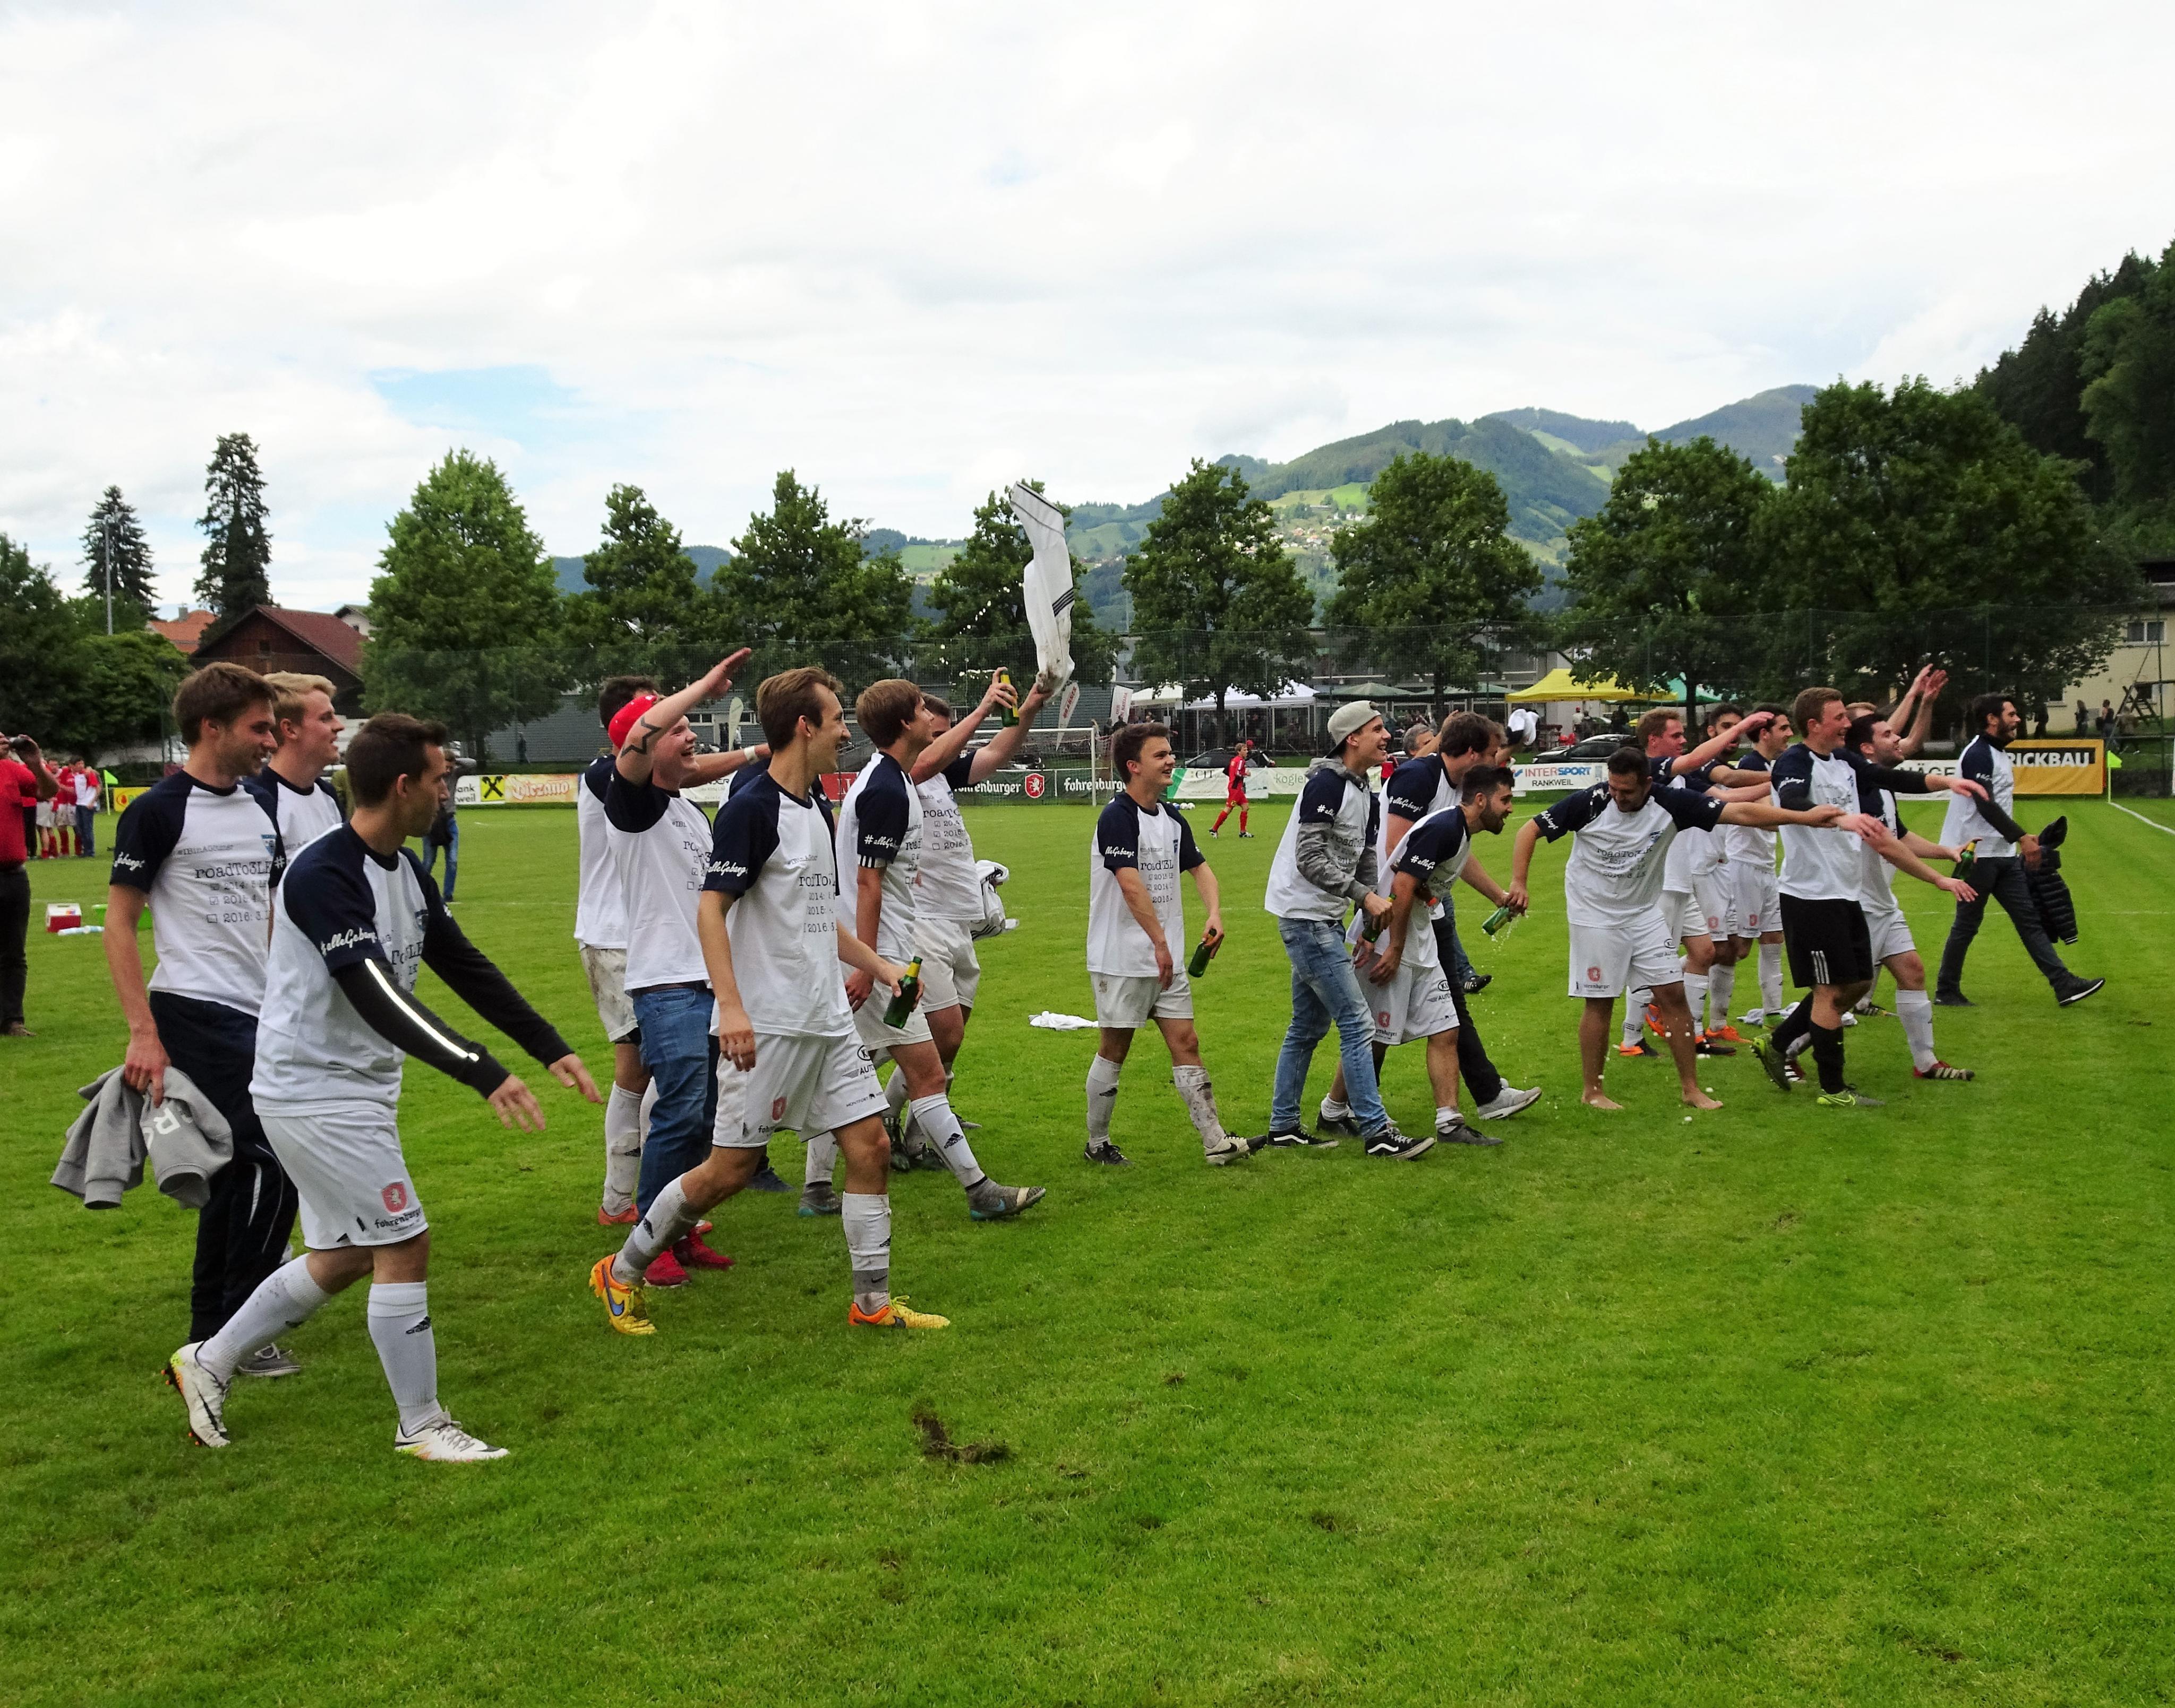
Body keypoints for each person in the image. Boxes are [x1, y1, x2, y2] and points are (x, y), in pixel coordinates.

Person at [166, 713, 599, 1459]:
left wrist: (547, 1045)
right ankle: (422, 1425)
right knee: (404, 1239)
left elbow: (463, 963)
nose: (446, 791)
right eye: (439, 778)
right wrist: (480, 1069)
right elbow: (373, 992)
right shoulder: (324, 874)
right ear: (403, 786)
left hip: (353, 1089)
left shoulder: (404, 869)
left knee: (345, 1254)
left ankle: (208, 1359)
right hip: (314, 1091)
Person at [589, 667, 949, 1336]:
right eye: (836, 720)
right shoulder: (751, 808)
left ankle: (871, 1303)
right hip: (772, 1023)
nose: (845, 733)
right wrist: (731, 1007)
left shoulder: (815, 805)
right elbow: (711, 908)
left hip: (827, 1019)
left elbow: (817, 916)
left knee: (870, 1146)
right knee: (727, 1171)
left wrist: (881, 967)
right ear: (804, 727)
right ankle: (623, 1268)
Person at [105, 664, 297, 1363]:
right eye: (258, 727)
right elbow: (119, 924)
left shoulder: (259, 806)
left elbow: (269, 911)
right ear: (211, 727)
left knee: (233, 1173)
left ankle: (209, 1332)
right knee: (278, 1160)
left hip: (260, 1010)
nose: (270, 740)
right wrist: (143, 1033)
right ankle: (243, 1329)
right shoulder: (157, 811)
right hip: (193, 1009)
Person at [1509, 744, 1844, 1111]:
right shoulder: (1590, 801)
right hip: (1595, 915)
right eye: (1614, 788)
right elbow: (1529, 830)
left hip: (1644, 913)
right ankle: (1593, 1091)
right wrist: (1519, 882)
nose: (1618, 797)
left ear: (1647, 783)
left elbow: (1740, 812)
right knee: (1601, 1001)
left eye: (1627, 791)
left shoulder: (1671, 802)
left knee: (1673, 994)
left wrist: (1805, 817)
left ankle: (1691, 1090)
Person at [830, 679, 1042, 1220]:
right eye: (924, 709)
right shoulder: (889, 785)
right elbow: (868, 883)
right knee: (895, 1067)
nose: (932, 718)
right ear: (907, 723)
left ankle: (820, 1181)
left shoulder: (896, 780)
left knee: (851, 1063)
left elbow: (988, 755)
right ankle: (979, 1190)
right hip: (891, 949)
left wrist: (1029, 705)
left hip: (903, 944)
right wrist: (870, 964)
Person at [604, 655, 768, 1287]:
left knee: (703, 1117)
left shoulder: (685, 810)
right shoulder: (633, 803)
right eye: (678, 728)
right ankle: (650, 1239)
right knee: (679, 1111)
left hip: (709, 984)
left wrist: (755, 752)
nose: (690, 734)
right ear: (644, 744)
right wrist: (700, 686)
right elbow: (641, 736)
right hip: (667, 985)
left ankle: (679, 1226)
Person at [1746, 687, 1988, 1108]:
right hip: (1811, 896)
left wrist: (1947, 781)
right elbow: (1793, 800)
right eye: (1839, 717)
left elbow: (1893, 777)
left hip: (1846, 893)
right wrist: (1839, 818)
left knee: (1858, 983)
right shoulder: (1795, 761)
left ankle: (1780, 1042)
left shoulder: (1844, 761)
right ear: (1814, 725)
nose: (1847, 723)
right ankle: (1834, 1090)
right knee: (1829, 991)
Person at [1320, 711, 1539, 1129]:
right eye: (1492, 754)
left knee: (1446, 1018)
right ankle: (1344, 1109)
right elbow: (1398, 859)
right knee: (1379, 1028)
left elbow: (1452, 851)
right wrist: (1394, 932)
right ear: (1472, 753)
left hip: (1425, 908)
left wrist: (1497, 896)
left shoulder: (1463, 800)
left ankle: (1459, 1112)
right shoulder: (1420, 778)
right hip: (1391, 911)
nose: (1495, 763)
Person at [892, 669, 1053, 1183]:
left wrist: (1030, 706)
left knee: (948, 1042)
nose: (946, 742)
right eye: (936, 732)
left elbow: (997, 752)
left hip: (957, 921)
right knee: (939, 1035)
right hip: (922, 922)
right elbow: (924, 762)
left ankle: (914, 1136)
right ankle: (883, 1120)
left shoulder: (942, 775)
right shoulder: (903, 773)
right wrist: (982, 710)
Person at [1260, 700, 1428, 1158]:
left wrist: (1372, 914)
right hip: (1305, 917)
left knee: (1307, 1026)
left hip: (1324, 918)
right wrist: (1364, 897)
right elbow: (1309, 856)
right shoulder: (1326, 784)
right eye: (1377, 729)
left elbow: (1366, 856)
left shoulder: (1365, 789)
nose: (1387, 736)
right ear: (1352, 738)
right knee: (1357, 1022)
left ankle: (1283, 1126)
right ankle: (1376, 1131)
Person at [1083, 721, 1250, 1166]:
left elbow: (1200, 868)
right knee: (1114, 1049)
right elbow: (1129, 883)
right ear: (1134, 766)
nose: (1171, 760)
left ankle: (1215, 1141)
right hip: (1123, 958)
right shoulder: (1117, 817)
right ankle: (1097, 1143)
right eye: (1160, 755)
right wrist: (1158, 942)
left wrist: (1214, 913)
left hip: (1167, 959)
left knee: (1187, 1041)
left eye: (1170, 753)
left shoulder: (1172, 817)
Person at [1352, 765, 1523, 1146]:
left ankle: (1450, 1122)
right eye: (1506, 800)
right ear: (1481, 800)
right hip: (1392, 937)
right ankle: (1336, 1108)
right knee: (1375, 1037)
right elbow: (1402, 885)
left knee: (1446, 1028)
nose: (1510, 808)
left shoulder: (1459, 831)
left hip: (1419, 939)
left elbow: (1419, 883)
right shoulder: (1445, 827)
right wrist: (1393, 947)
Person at [1616, 705, 1782, 1060]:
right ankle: (1632, 1038)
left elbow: (1726, 799)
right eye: (1676, 735)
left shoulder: (1680, 780)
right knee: (1655, 962)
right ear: (1653, 740)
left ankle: (1691, 1033)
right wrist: (1744, 726)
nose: (1683, 740)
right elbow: (1698, 761)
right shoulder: (1649, 771)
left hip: (1682, 881)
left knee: (1706, 952)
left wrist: (1777, 781)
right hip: (1659, 884)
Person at [1934, 692, 2104, 1009]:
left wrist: (2019, 839)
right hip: (1976, 855)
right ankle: (1946, 990)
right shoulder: (1978, 754)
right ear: (1992, 719)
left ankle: (2063, 984)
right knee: (1967, 925)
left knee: (2029, 920)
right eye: (2011, 714)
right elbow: (1985, 805)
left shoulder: (1998, 753)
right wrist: (2022, 836)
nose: (2017, 720)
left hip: (2002, 854)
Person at [1846, 712, 1977, 1079]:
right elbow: (1887, 847)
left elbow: (1900, 836)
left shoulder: (1882, 787)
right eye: (1888, 734)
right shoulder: (1862, 790)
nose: (1898, 739)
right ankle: (1784, 1047)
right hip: (1860, 905)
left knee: (1912, 972)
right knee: (1844, 993)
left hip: (1881, 903)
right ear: (1867, 748)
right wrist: (1939, 880)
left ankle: (1927, 1064)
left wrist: (1947, 851)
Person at [1719, 706, 1794, 1025]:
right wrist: (1807, 820)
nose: (1790, 734)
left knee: (1774, 940)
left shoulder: (1768, 766)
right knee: (1736, 949)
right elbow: (1766, 819)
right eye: (1784, 728)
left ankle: (1772, 1013)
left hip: (1764, 866)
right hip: (1744, 866)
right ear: (1765, 734)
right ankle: (1662, 991)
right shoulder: (1752, 765)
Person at [243, 672, 346, 881]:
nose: (339, 726)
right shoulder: (257, 799)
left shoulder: (327, 794)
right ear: (290, 730)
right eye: (326, 718)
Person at [1, 729, 61, 1037]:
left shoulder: (12, 770)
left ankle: (12, 1020)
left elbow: (49, 791)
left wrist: (36, 764)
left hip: (12, 874)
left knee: (14, 952)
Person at [1209, 737, 1254, 838]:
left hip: (1236, 788)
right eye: (1244, 750)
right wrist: (1246, 774)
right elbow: (1238, 773)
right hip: (1236, 790)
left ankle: (1243, 832)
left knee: (1246, 807)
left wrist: (1233, 778)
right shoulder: (1241, 761)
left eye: (1247, 750)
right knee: (1229, 809)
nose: (1247, 752)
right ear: (1239, 752)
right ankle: (1214, 829)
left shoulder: (1234, 760)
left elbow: (1227, 771)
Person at [419, 793, 458, 903]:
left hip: (449, 821)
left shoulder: (451, 781)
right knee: (429, 861)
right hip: (432, 821)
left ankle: (448, 895)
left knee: (453, 861)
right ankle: (419, 890)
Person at [72, 757, 100, 859]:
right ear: (74, 766)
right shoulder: (77, 775)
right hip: (79, 803)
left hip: (87, 804)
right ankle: (86, 850)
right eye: (78, 764)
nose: (81, 766)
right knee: (81, 828)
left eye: (82, 764)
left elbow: (98, 788)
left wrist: (93, 802)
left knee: (88, 828)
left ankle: (90, 851)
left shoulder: (88, 774)